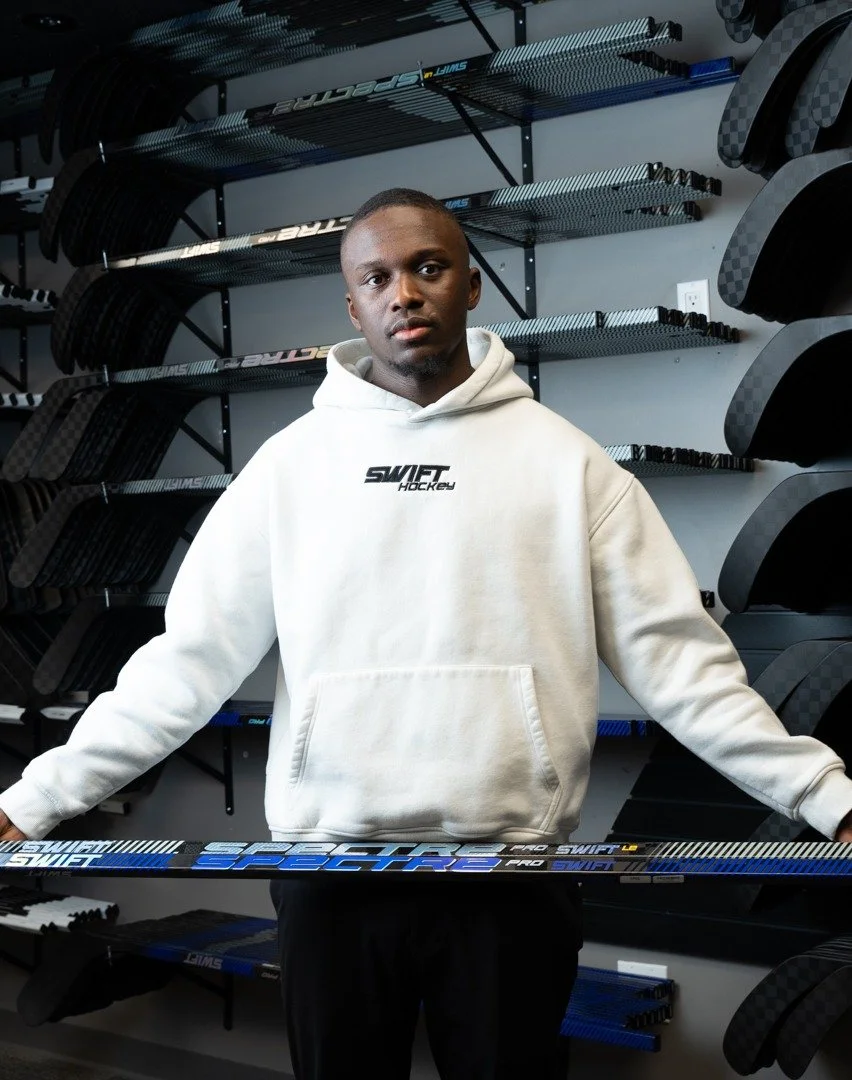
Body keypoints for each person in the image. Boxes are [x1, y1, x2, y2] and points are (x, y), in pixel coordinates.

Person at [2, 187, 852, 1079]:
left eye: (428, 268)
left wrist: (828, 796)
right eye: (376, 278)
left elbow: (685, 668)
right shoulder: (288, 471)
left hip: (510, 881)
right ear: (352, 306)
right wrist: (33, 801)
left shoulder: (568, 467)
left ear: (471, 286)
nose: (403, 293)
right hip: (332, 879)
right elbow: (184, 666)